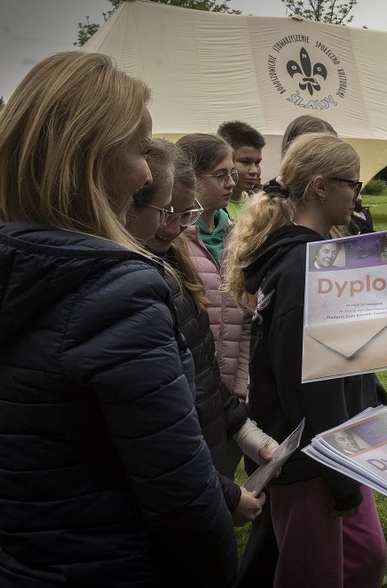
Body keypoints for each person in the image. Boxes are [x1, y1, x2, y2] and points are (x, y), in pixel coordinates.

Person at [0, 51, 238, 586]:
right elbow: (179, 493)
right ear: (90, 159)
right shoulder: (118, 291)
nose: (149, 172)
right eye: (142, 151)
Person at [224, 132, 387, 587]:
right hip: (313, 459)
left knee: (366, 558)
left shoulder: (320, 258)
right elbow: (307, 384)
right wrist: (340, 479)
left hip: (340, 445)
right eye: (352, 184)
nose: (358, 196)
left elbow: (346, 354)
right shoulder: (300, 268)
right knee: (311, 575)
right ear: (320, 186)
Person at [125, 137, 276, 528]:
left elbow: (206, 352)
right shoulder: (139, 282)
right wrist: (222, 495)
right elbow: (157, 432)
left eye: (185, 215)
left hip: (217, 410)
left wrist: (238, 417)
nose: (174, 227)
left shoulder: (172, 264)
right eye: (167, 213)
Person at [178, 132, 251, 402]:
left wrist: (240, 388)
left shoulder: (239, 240)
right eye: (220, 175)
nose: (232, 183)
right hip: (188, 393)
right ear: (191, 178)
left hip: (231, 395)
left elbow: (246, 323)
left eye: (233, 173)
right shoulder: (174, 242)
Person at [217, 120, 266, 221]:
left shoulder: (259, 204)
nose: (254, 171)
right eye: (245, 162)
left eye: (257, 162)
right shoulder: (213, 209)